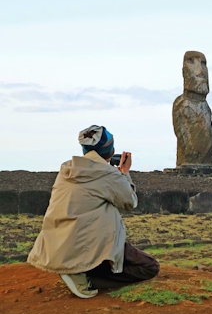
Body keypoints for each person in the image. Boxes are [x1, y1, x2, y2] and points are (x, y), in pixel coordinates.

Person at [27, 125, 159, 298]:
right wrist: (124, 174)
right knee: (149, 267)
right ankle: (86, 278)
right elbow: (130, 202)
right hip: (88, 241)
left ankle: (76, 269)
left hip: (57, 243)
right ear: (110, 150)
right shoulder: (109, 175)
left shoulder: (66, 169)